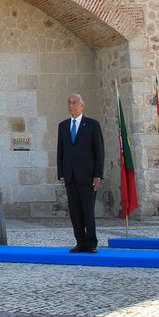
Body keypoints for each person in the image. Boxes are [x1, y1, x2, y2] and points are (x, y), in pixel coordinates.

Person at [56, 93, 104, 253]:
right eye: (69, 103)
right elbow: (60, 152)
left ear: (82, 105)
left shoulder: (92, 125)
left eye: (75, 103)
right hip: (70, 175)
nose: (71, 105)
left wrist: (98, 175)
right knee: (75, 212)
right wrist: (61, 173)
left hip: (87, 175)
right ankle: (80, 242)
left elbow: (99, 152)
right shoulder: (63, 126)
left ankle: (91, 243)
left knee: (88, 210)